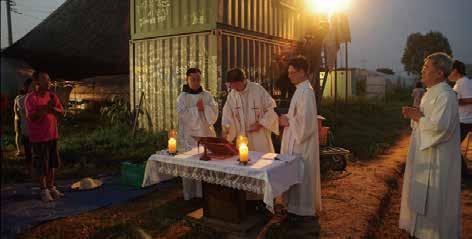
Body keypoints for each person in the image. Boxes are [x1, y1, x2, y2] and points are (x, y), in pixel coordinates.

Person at [399, 52, 461, 238]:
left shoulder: (446, 96)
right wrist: (415, 114)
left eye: (426, 67)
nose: (422, 70)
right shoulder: (430, 93)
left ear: (440, 73)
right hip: (423, 154)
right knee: (421, 198)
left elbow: (440, 129)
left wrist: (417, 116)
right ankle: (420, 231)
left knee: (435, 202)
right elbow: (425, 122)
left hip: (437, 159)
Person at [279, 56, 321, 219]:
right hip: (295, 140)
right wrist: (288, 118)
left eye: (292, 72)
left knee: (302, 175)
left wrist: (287, 121)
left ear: (302, 72)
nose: (289, 75)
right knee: (295, 174)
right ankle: (294, 208)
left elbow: (307, 124)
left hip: (301, 143)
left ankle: (302, 210)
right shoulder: (300, 90)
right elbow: (297, 116)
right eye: (288, 72)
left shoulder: (306, 92)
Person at [176, 68, 218, 200]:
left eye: (198, 79)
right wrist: (197, 109)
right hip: (188, 136)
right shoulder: (182, 97)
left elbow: (215, 111)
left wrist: (204, 108)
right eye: (193, 79)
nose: (196, 82)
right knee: (189, 165)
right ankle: (190, 194)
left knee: (205, 165)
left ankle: (204, 194)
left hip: (205, 134)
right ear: (187, 79)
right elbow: (182, 114)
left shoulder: (207, 95)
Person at [25, 71, 65, 202]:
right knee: (42, 165)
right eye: (45, 80)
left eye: (49, 79)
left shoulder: (52, 96)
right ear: (37, 82)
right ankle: (43, 190)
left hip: (52, 135)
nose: (49, 82)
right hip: (39, 138)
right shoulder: (31, 98)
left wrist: (53, 109)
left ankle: (51, 187)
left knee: (53, 163)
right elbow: (33, 117)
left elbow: (61, 113)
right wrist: (47, 107)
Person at [221, 68, 279, 153]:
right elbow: (227, 115)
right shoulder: (232, 95)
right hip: (242, 137)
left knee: (261, 162)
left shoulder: (257, 89)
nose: (234, 88)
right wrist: (226, 129)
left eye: (236, 85)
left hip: (259, 136)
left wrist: (261, 123)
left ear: (243, 80)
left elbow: (272, 108)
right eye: (232, 85)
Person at [448, 60, 472, 175]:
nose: (448, 73)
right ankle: (463, 172)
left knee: (451, 145)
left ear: (455, 71)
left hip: (465, 121)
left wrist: (455, 100)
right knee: (451, 145)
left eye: (450, 71)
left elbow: (470, 99)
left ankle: (464, 173)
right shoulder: (461, 82)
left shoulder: (463, 82)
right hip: (462, 120)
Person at [14, 78, 34, 174]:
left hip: (40, 132)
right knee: (29, 152)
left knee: (38, 154)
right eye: (33, 86)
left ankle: (39, 173)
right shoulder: (21, 99)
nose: (35, 88)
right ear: (27, 87)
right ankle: (30, 170)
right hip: (28, 131)